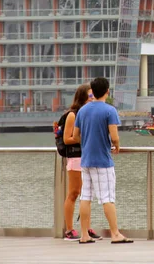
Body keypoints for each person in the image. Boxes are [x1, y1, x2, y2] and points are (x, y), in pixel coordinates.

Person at [73, 77, 133, 244]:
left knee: (85, 197)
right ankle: (115, 233)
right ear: (107, 91)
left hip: (86, 160)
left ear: (92, 91)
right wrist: (117, 145)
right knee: (107, 198)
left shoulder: (82, 111)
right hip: (102, 160)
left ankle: (84, 235)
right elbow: (114, 136)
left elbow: (76, 135)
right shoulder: (109, 110)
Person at [63, 84, 102, 241]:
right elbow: (67, 138)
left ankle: (86, 228)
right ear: (83, 97)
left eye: (93, 95)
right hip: (75, 157)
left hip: (88, 156)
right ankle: (70, 229)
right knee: (74, 192)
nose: (92, 98)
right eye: (90, 95)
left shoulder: (89, 113)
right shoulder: (73, 115)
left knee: (87, 194)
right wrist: (82, 138)